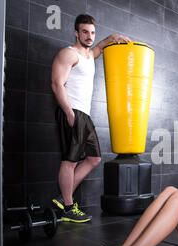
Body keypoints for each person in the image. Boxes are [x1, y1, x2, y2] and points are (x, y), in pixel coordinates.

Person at [50, 14, 130, 223]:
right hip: (72, 111)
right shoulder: (69, 54)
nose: (89, 36)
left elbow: (99, 47)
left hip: (84, 114)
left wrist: (112, 37)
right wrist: (68, 112)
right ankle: (68, 207)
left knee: (93, 158)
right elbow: (56, 84)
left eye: (92, 32)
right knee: (70, 161)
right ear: (76, 32)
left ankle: (62, 199)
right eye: (84, 32)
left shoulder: (88, 55)